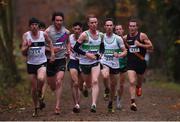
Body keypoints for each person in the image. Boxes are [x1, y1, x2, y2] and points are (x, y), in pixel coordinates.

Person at [21, 17, 55, 117]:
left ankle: (40, 92)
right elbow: (23, 51)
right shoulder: (26, 35)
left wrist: (52, 54)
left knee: (41, 78)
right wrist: (27, 46)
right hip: (31, 63)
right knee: (33, 89)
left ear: (38, 26)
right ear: (29, 26)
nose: (34, 26)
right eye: (32, 25)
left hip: (42, 62)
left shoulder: (43, 34)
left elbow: (50, 43)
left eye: (36, 25)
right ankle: (36, 107)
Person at [73, 15, 103, 113]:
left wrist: (100, 54)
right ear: (88, 24)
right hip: (84, 62)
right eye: (92, 23)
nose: (94, 24)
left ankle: (93, 104)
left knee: (95, 81)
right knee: (87, 85)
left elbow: (103, 47)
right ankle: (85, 86)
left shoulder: (101, 35)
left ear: (97, 23)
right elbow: (76, 48)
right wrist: (86, 54)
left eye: (95, 22)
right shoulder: (84, 35)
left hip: (95, 62)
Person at [123, 19, 153, 111]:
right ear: (128, 27)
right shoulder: (125, 38)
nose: (132, 28)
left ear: (137, 27)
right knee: (132, 81)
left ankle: (139, 87)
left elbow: (151, 46)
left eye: (133, 26)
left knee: (139, 82)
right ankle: (133, 102)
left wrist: (140, 44)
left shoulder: (142, 36)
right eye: (130, 26)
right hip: (130, 63)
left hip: (141, 62)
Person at [45, 12, 70, 115]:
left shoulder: (66, 32)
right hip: (50, 60)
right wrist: (51, 50)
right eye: (57, 20)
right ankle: (52, 88)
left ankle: (57, 106)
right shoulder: (47, 32)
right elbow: (42, 46)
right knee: (52, 86)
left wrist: (68, 50)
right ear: (53, 21)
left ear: (62, 21)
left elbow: (67, 42)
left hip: (61, 59)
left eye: (61, 20)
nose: (59, 22)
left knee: (59, 81)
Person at [100, 18, 127, 112]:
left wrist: (119, 55)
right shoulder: (101, 37)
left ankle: (110, 103)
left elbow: (125, 51)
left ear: (113, 27)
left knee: (113, 85)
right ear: (104, 27)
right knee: (105, 75)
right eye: (107, 25)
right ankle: (106, 89)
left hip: (115, 64)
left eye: (110, 25)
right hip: (104, 61)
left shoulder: (118, 38)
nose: (109, 27)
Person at [67, 22, 83, 113]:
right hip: (73, 61)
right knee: (75, 82)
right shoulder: (70, 37)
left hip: (82, 61)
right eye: (75, 29)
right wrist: (68, 50)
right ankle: (76, 104)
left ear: (81, 29)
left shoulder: (84, 37)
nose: (77, 31)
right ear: (73, 29)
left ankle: (78, 103)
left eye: (78, 29)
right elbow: (68, 45)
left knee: (80, 84)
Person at [114, 24, 127, 110]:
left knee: (121, 85)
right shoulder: (112, 39)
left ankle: (119, 100)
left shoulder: (127, 39)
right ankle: (114, 95)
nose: (119, 30)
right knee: (114, 83)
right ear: (115, 31)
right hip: (114, 64)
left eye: (120, 29)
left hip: (124, 64)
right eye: (117, 29)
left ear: (123, 30)